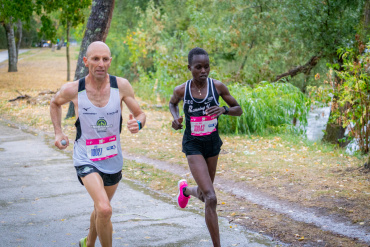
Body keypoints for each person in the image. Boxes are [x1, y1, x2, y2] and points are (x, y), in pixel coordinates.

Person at [50, 41, 146, 247]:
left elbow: (140, 114)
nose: (100, 63)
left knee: (100, 208)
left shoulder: (121, 86)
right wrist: (58, 132)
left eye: (105, 59)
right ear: (86, 61)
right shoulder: (74, 89)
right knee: (104, 209)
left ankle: (88, 243)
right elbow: (55, 103)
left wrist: (137, 123)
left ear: (110, 61)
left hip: (112, 159)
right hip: (85, 157)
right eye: (95, 59)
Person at [169, 47, 242, 247]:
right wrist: (176, 119)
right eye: (198, 67)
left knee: (203, 194)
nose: (203, 71)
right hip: (193, 144)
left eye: (207, 66)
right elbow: (172, 104)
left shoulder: (217, 87)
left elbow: (239, 109)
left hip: (212, 144)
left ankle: (185, 191)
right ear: (189, 68)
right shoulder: (181, 90)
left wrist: (224, 109)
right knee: (211, 197)